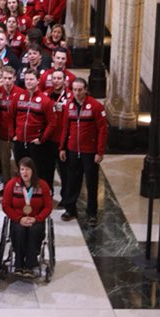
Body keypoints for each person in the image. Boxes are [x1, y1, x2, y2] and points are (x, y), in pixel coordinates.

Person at [58, 77, 108, 226]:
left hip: (89, 152)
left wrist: (100, 152)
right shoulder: (69, 105)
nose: (77, 93)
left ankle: (92, 213)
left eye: (80, 90)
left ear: (86, 89)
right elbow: (65, 128)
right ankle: (70, 209)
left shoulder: (96, 106)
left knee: (91, 183)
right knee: (72, 181)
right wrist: (62, 147)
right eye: (74, 90)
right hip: (73, 150)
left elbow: (103, 130)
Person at [2, 157, 53, 277]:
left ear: (33, 171)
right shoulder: (12, 184)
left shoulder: (42, 185)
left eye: (28, 169)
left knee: (34, 231)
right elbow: (6, 205)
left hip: (36, 219)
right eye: (22, 169)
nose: (25, 172)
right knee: (19, 231)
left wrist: (37, 218)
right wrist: (19, 219)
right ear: (19, 171)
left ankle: (30, 264)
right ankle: (19, 263)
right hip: (18, 219)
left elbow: (48, 207)